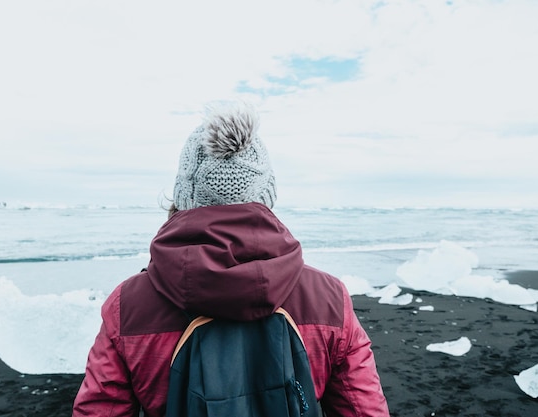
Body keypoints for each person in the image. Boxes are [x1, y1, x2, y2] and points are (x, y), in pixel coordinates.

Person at [73, 102, 389, 416]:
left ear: (184, 194)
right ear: (267, 194)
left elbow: (100, 410)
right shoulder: (329, 298)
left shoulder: (127, 306)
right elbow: (364, 409)